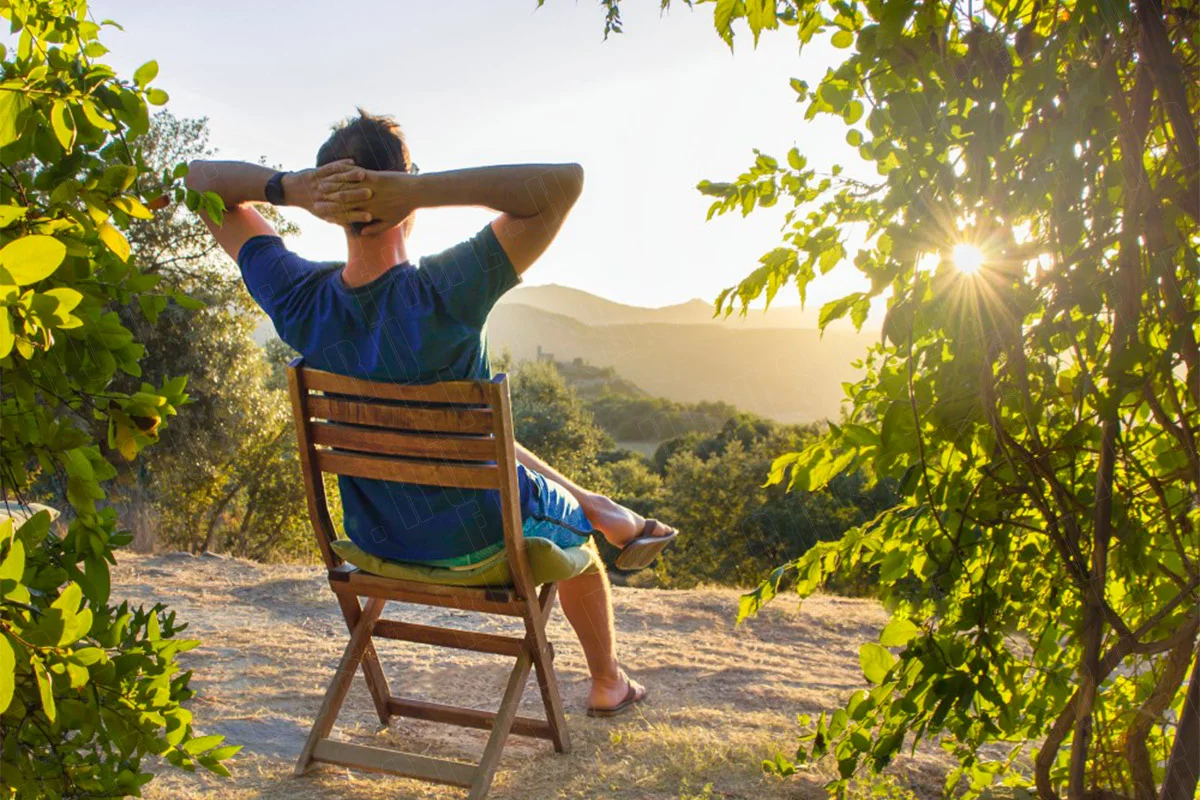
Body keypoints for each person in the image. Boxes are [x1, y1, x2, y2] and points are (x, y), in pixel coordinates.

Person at [185, 109, 678, 716]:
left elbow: (199, 180)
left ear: (331, 207)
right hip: (479, 543)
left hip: (376, 541)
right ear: (404, 194)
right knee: (574, 537)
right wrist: (416, 189)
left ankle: (602, 509)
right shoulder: (446, 290)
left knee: (478, 437)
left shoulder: (296, 296)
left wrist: (290, 190)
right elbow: (564, 183)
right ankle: (607, 681)